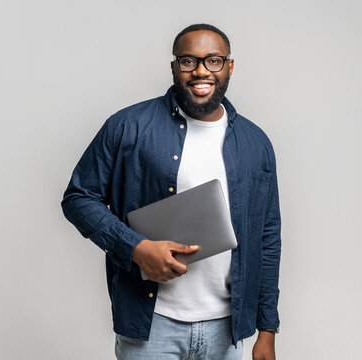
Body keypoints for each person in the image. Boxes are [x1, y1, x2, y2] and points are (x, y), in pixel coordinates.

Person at [62, 23, 281, 360]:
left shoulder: (256, 144)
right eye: (188, 61)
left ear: (229, 67)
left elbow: (267, 237)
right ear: (174, 67)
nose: (201, 71)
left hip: (228, 330)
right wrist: (135, 248)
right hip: (152, 327)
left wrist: (267, 330)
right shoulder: (128, 126)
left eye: (213, 61)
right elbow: (78, 197)